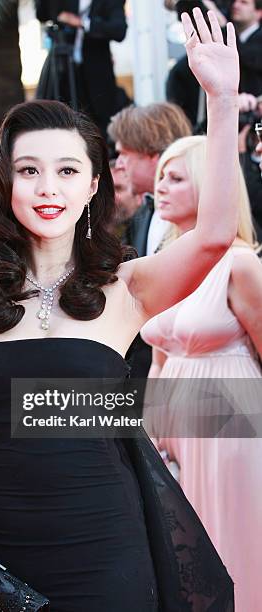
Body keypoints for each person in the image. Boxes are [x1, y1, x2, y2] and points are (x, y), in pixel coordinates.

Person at [0, 9, 238, 611]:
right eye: (29, 171)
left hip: (108, 542)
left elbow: (214, 236)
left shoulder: (126, 286)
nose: (49, 188)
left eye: (68, 171)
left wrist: (222, 102)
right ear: (4, 183)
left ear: (94, 184)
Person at [140, 134, 262, 611]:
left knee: (233, 543)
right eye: (160, 177)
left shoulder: (240, 264)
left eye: (175, 177)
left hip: (234, 431)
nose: (161, 188)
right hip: (175, 430)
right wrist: (154, 428)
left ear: (210, 188)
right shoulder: (161, 265)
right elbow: (158, 356)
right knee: (183, 553)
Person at [107, 101, 191, 377]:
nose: (119, 165)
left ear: (152, 156)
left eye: (124, 154)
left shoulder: (198, 221)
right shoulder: (144, 214)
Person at [35, 0, 127, 137]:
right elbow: (43, 14)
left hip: (97, 72)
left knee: (100, 121)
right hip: (63, 70)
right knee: (56, 119)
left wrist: (83, 23)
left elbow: (119, 30)